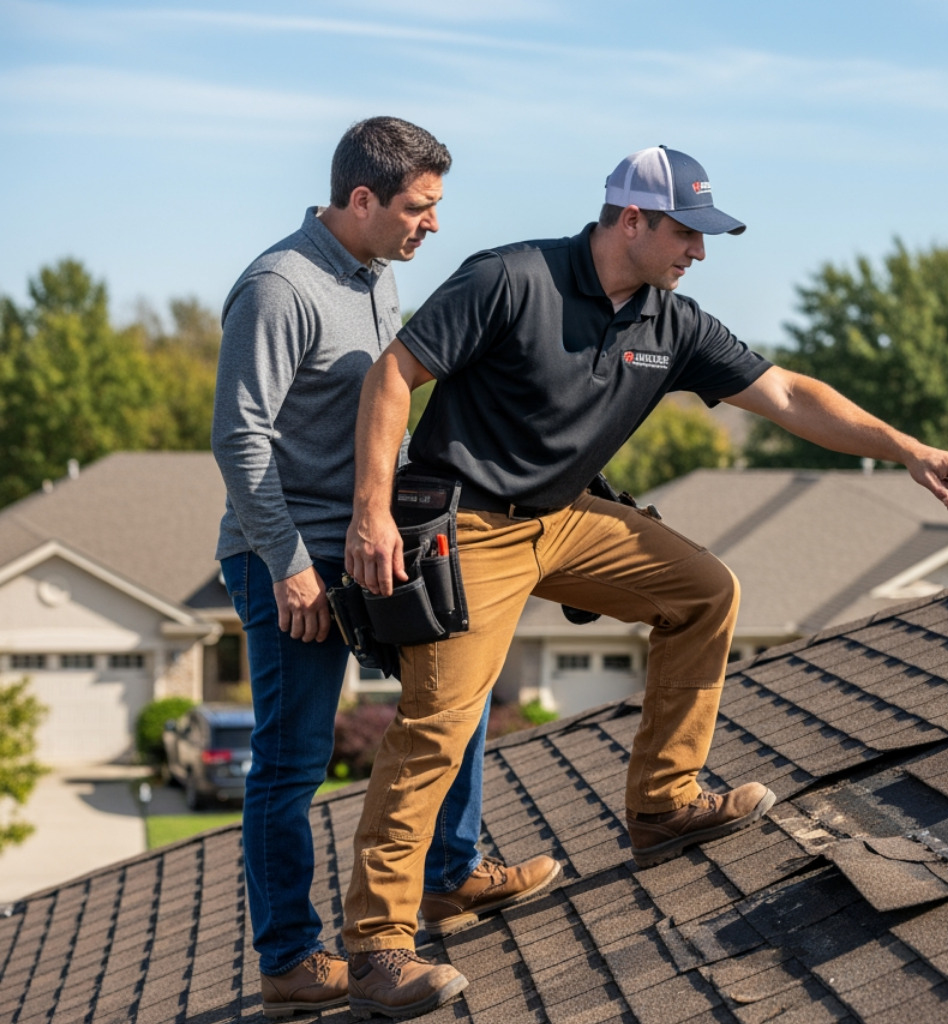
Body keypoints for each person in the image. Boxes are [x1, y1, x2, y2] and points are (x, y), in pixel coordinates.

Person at [340, 144, 948, 1014]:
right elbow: (396, 373)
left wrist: (908, 448)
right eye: (688, 233)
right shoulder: (510, 278)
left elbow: (792, 395)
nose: (699, 252)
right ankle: (378, 947)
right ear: (632, 219)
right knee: (439, 726)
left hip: (568, 516)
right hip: (471, 524)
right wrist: (373, 513)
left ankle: (662, 805)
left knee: (705, 591)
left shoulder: (672, 322)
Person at [211, 116, 559, 1021]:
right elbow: (239, 438)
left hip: (373, 544)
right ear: (361, 199)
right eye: (419, 206)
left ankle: (452, 873)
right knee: (290, 767)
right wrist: (288, 567)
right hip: (288, 558)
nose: (432, 224)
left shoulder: (377, 275)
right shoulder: (278, 287)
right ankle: (290, 959)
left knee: (459, 688)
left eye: (435, 207)